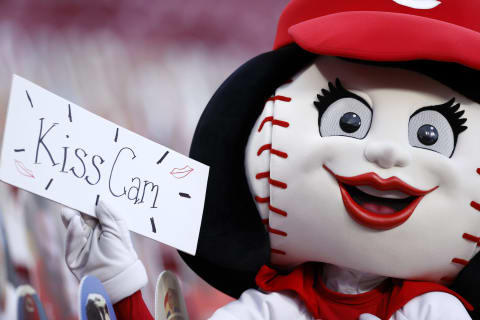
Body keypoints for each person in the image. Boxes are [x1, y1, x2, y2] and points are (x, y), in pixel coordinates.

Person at [62, 0, 480, 319]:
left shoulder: (433, 311)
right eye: (348, 120)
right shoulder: (273, 307)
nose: (386, 152)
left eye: (430, 135)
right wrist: (119, 285)